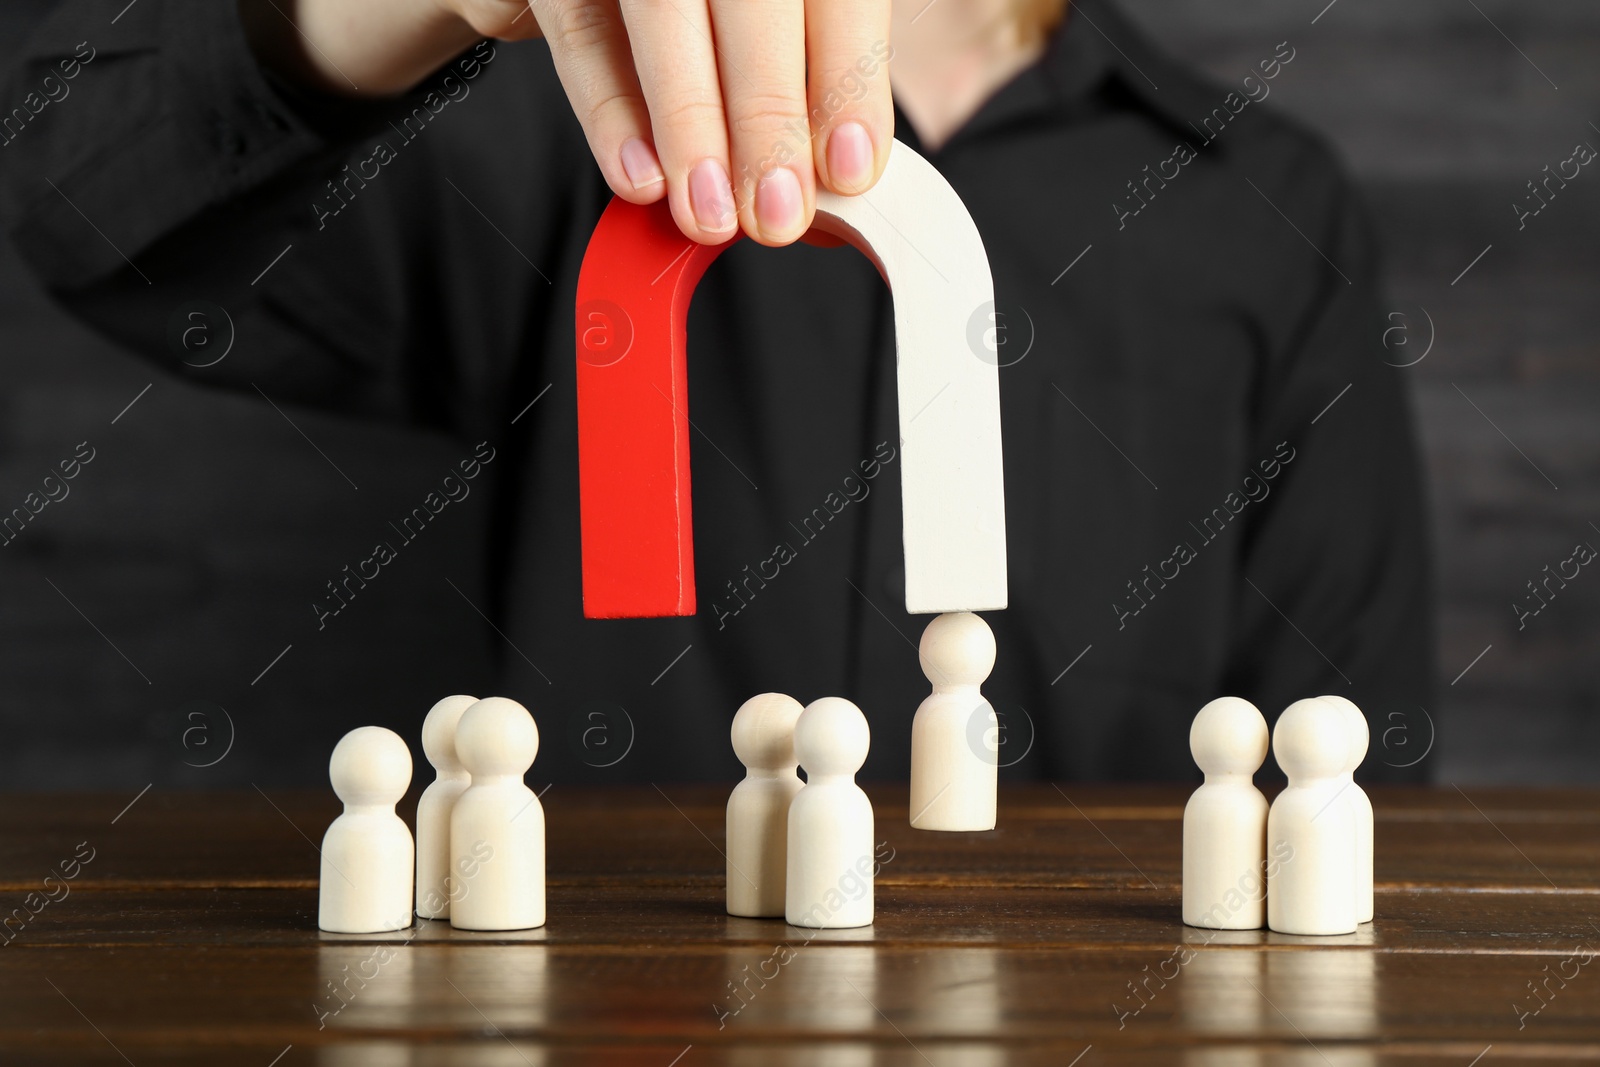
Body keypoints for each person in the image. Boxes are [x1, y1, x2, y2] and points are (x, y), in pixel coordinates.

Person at [0, 0, 1434, 783]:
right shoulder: (551, 121)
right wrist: (374, 15)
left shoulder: (1264, 204)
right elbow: (79, 209)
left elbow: (1360, 764)